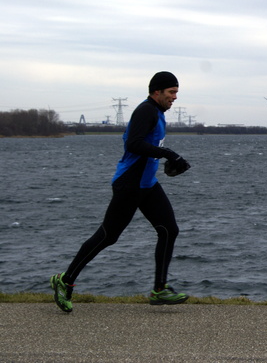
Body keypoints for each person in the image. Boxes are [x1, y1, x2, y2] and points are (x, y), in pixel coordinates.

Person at [50, 71, 191, 312]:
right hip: (129, 184)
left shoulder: (157, 112)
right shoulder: (146, 110)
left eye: (176, 92)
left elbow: (147, 145)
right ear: (156, 92)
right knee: (108, 236)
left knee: (169, 230)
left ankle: (159, 289)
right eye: (171, 92)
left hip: (146, 184)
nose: (175, 97)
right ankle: (65, 280)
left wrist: (171, 158)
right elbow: (133, 144)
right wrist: (169, 154)